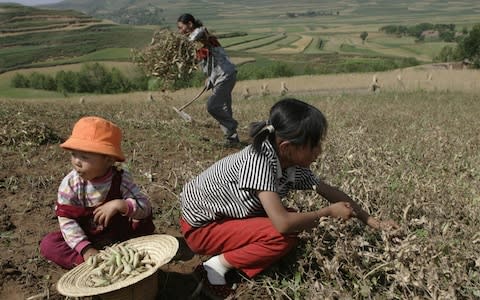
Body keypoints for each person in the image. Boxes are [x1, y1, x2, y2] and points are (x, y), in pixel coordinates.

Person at [179, 98, 398, 298]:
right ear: (287, 147)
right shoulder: (259, 162)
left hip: (224, 219)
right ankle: (215, 266)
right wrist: (327, 213)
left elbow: (329, 191)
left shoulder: (288, 163)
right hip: (202, 228)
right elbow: (283, 224)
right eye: (313, 146)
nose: (319, 151)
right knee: (284, 232)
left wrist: (373, 222)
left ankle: (231, 255)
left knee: (295, 219)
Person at [39, 116, 155, 269]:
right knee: (49, 244)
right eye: (74, 154)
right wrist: (86, 249)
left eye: (84, 157)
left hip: (119, 234)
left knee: (143, 220)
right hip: (87, 237)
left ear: (109, 160)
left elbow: (144, 206)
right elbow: (67, 221)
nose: (77, 162)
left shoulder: (121, 179)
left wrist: (121, 205)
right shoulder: (70, 185)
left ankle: (132, 253)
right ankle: (94, 263)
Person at [177, 13, 240, 147]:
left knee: (212, 106)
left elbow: (197, 34)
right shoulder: (199, 44)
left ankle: (232, 125)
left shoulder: (201, 33)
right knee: (224, 106)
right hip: (220, 75)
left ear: (190, 24)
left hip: (225, 74)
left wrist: (182, 42)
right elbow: (209, 61)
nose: (180, 31)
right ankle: (232, 139)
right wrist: (209, 77)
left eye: (181, 27)